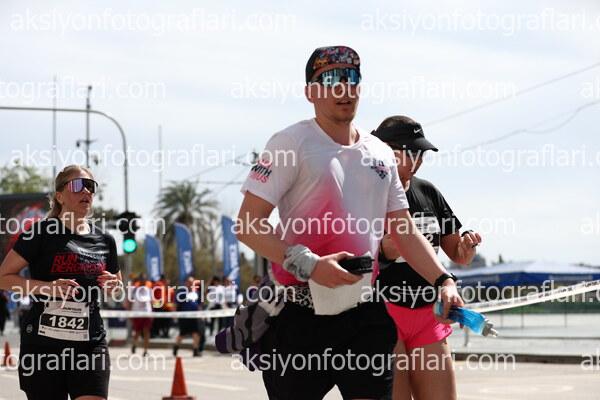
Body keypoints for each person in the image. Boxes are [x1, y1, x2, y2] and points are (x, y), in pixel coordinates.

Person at [235, 45, 463, 400]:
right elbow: (248, 224)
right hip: (300, 312)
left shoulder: (380, 153)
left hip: (365, 312)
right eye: (330, 80)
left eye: (352, 79)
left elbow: (404, 230)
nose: (344, 88)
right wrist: (309, 264)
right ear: (310, 92)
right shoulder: (290, 143)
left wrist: (444, 280)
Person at [372, 116, 482, 400]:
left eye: (422, 153)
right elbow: (343, 252)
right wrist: (382, 251)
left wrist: (466, 248)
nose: (418, 160)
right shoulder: (365, 192)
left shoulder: (428, 191)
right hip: (383, 311)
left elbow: (458, 256)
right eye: (411, 152)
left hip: (428, 313)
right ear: (385, 149)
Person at [0, 165, 122, 400]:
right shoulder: (40, 233)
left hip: (89, 343)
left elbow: (117, 287)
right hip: (43, 345)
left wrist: (115, 287)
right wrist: (48, 288)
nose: (85, 191)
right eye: (77, 185)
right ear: (59, 196)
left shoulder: (105, 239)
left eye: (90, 186)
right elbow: (3, 278)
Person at [173, 275, 205, 357]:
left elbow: (199, 305)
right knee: (182, 334)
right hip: (184, 316)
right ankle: (176, 347)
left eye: (192, 282)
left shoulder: (196, 292)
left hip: (194, 316)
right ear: (185, 282)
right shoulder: (181, 292)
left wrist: (201, 315)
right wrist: (174, 314)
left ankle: (195, 350)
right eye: (189, 282)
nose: (191, 284)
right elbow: (176, 304)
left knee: (196, 333)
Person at [128, 273, 153, 356]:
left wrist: (152, 313)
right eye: (142, 279)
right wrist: (129, 313)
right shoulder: (134, 289)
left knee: (146, 332)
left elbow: (151, 302)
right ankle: (134, 344)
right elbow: (130, 302)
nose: (143, 281)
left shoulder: (149, 290)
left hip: (147, 313)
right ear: (139, 280)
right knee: (137, 332)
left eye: (145, 279)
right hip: (137, 313)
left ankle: (145, 350)